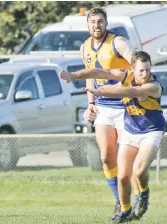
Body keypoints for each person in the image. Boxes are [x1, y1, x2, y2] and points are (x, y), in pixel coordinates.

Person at [59, 51, 165, 223]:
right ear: (132, 68)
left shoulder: (153, 86)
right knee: (123, 176)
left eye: (147, 69)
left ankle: (144, 192)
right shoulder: (126, 75)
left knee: (138, 170)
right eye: (141, 71)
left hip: (151, 131)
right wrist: (73, 75)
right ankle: (125, 212)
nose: (145, 74)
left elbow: (129, 91)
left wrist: (101, 91)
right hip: (131, 131)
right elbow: (100, 72)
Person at [80, 7, 139, 215]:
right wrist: (90, 102)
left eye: (100, 21)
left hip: (125, 106)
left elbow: (135, 62)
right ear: (88, 25)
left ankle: (138, 198)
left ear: (106, 23)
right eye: (93, 22)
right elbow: (90, 74)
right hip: (103, 107)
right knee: (106, 157)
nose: (97, 25)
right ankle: (120, 202)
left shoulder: (118, 42)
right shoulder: (85, 47)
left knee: (126, 158)